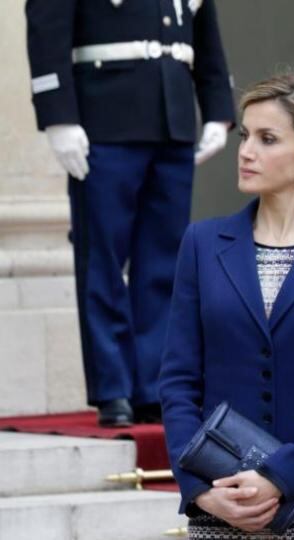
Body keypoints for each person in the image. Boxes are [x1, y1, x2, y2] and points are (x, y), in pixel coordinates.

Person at [159, 73, 294, 539]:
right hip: (219, 506)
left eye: (267, 138)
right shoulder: (201, 244)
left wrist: (279, 478)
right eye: (245, 136)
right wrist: (199, 490)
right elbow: (178, 382)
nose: (245, 151)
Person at [24, 0, 235, 426]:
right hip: (105, 124)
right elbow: (46, 32)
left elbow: (204, 37)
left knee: (163, 265)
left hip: (172, 125)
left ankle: (150, 386)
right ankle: (112, 387)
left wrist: (218, 110)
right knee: (102, 261)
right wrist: (58, 117)